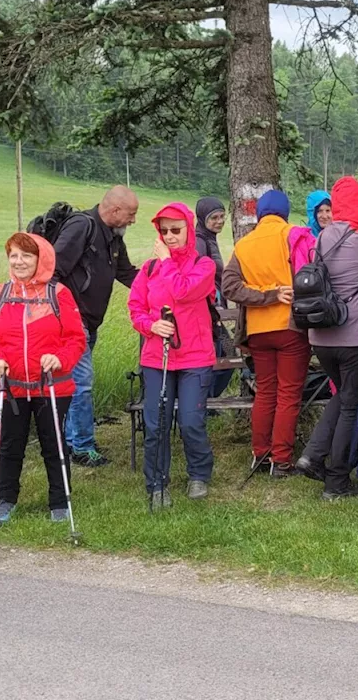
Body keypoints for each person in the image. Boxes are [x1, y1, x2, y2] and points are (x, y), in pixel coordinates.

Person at [0, 232, 86, 525]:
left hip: (53, 386)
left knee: (55, 445)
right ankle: (5, 499)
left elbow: (76, 339)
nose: (19, 261)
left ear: (41, 259)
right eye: (13, 255)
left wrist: (60, 358)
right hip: (8, 387)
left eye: (26, 255)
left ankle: (60, 502)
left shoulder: (58, 294)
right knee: (10, 446)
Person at [295, 177, 358, 499]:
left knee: (342, 396)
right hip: (356, 338)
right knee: (351, 404)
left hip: (321, 337)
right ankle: (337, 482)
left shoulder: (324, 235)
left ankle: (311, 455)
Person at [128, 203, 218, 506]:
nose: (169, 236)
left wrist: (167, 262)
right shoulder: (149, 269)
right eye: (163, 230)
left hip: (195, 356)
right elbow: (135, 307)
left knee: (191, 420)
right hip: (157, 357)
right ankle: (156, 483)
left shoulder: (204, 266)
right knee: (156, 422)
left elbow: (182, 291)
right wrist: (151, 325)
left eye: (175, 230)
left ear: (189, 230)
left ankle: (199, 474)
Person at [223, 189, 311, 475]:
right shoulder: (296, 235)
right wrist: (278, 294)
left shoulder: (244, 244)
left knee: (265, 393)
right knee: (288, 394)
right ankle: (281, 460)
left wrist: (265, 294)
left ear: (260, 214)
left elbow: (229, 287)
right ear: (284, 212)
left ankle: (260, 455)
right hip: (291, 327)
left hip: (258, 331)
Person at [52, 185, 139, 467]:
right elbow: (53, 271)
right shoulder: (82, 227)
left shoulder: (113, 238)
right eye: (131, 213)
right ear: (114, 210)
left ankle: (68, 443)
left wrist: (161, 286)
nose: (133, 220)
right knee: (81, 384)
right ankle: (82, 447)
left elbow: (127, 273)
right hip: (71, 322)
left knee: (73, 384)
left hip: (90, 322)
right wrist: (65, 315)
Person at [195, 196, 233, 400]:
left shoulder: (209, 238)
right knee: (222, 356)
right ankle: (205, 402)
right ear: (202, 218)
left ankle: (208, 400)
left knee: (227, 355)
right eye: (214, 218)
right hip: (209, 313)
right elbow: (200, 277)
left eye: (222, 216)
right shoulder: (200, 241)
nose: (219, 221)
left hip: (214, 313)